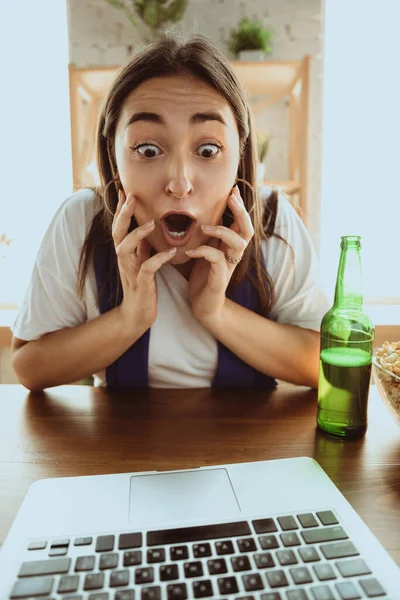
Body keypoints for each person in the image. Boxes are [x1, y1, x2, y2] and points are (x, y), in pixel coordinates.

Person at [11, 33, 329, 391]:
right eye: (147, 150)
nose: (179, 183)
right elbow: (29, 367)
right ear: (111, 153)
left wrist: (216, 312)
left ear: (240, 153)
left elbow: (323, 364)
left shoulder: (272, 219)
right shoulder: (80, 220)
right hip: (122, 444)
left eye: (208, 150)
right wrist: (130, 319)